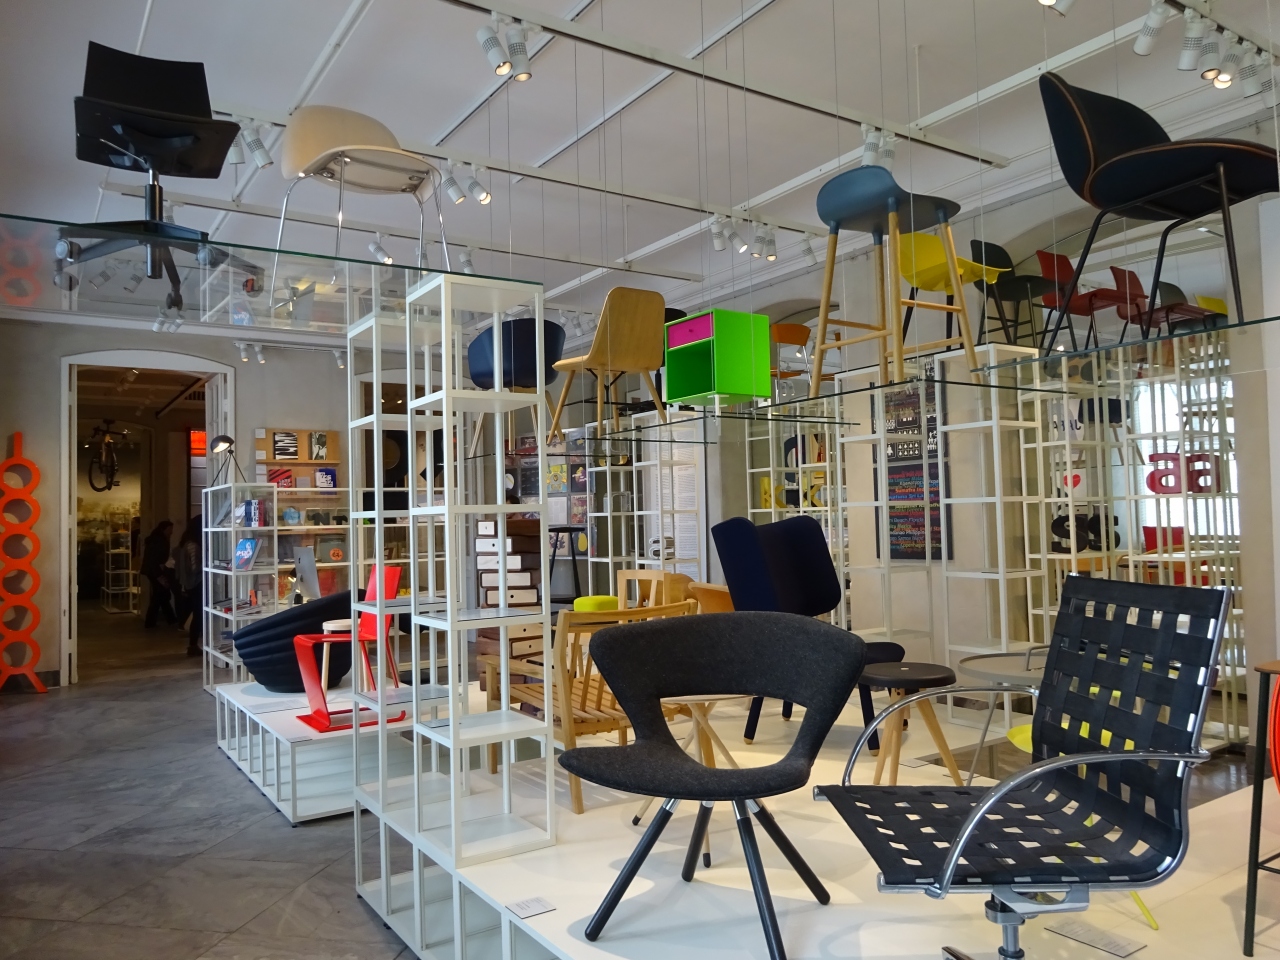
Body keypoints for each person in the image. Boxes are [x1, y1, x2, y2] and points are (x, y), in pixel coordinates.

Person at [173, 516, 202, 656]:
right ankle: (193, 645)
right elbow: (195, 568)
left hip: (190, 584)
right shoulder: (193, 545)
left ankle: (193, 644)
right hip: (196, 583)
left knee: (196, 614)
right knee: (198, 615)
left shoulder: (186, 543)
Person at [141, 520, 176, 629]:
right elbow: (155, 560)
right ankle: (169, 619)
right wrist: (159, 575)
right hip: (156, 571)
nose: (171, 532)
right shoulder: (160, 541)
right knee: (160, 595)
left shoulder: (155, 540)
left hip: (152, 571)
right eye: (170, 529)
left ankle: (169, 619)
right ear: (164, 529)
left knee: (160, 595)